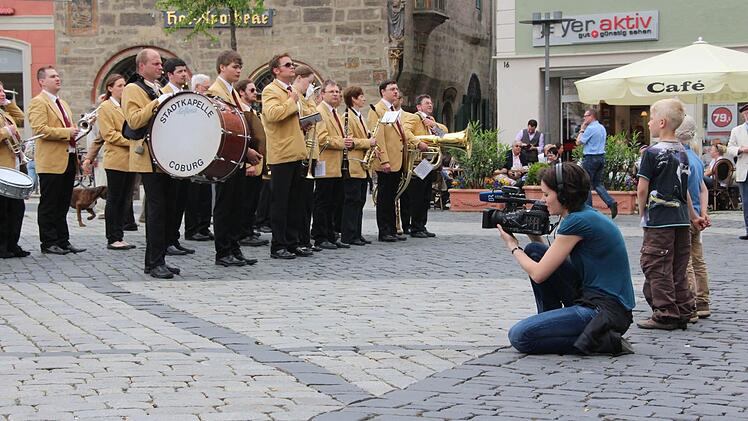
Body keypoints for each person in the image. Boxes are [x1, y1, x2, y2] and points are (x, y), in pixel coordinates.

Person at [499, 162, 635, 355]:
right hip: (600, 300)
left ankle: (604, 339)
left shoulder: (576, 222)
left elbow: (539, 273)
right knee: (535, 250)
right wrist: (531, 231)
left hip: (603, 311)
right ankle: (549, 321)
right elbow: (549, 261)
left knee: (520, 336)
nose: (543, 200)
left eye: (546, 194)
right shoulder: (584, 214)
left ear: (564, 194)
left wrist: (512, 245)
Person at [636, 99, 705, 330]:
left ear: (662, 123)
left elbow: (643, 188)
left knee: (657, 265)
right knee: (677, 265)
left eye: (652, 119)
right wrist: (694, 216)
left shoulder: (652, 153)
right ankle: (684, 308)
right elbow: (684, 189)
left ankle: (665, 313)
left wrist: (642, 210)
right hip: (681, 220)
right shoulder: (683, 152)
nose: (649, 124)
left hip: (659, 221)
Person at [121, 48, 179, 279]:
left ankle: (160, 258)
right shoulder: (132, 89)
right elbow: (134, 120)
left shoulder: (157, 88)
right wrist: (158, 103)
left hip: (163, 157)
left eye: (160, 63)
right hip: (147, 158)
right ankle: (153, 262)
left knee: (166, 210)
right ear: (141, 66)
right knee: (156, 212)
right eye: (155, 63)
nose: (160, 67)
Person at [206, 50, 262, 267]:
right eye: (234, 66)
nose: (238, 70)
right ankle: (223, 251)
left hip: (237, 155)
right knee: (225, 204)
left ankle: (234, 247)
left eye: (240, 67)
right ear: (222, 67)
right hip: (226, 155)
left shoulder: (233, 92)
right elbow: (223, 126)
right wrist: (246, 149)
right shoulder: (215, 92)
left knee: (237, 204)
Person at [28, 66, 85, 255]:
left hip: (67, 158)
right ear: (42, 81)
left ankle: (63, 240)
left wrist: (77, 130)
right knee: (49, 204)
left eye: (58, 76)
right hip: (51, 161)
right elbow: (40, 129)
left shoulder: (63, 103)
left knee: (62, 204)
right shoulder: (38, 102)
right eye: (53, 77)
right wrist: (67, 132)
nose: (58, 79)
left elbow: (69, 127)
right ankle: (48, 242)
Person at [261, 53, 308, 259]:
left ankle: (292, 241)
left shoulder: (293, 91)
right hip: (281, 153)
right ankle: (278, 245)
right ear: (276, 70)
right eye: (287, 65)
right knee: (280, 202)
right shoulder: (271, 90)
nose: (292, 67)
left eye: (293, 64)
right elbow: (272, 114)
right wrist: (292, 101)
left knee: (295, 202)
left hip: (296, 150)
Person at [368, 80, 419, 242]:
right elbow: (379, 137)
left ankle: (391, 228)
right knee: (384, 197)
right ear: (383, 92)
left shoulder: (391, 109)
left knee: (391, 197)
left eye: (397, 89)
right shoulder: (377, 110)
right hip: (387, 160)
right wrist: (384, 160)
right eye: (392, 89)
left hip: (397, 160)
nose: (396, 92)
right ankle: (384, 231)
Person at [676, 115, 712, 320]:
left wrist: (693, 214)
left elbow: (684, 190)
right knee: (698, 260)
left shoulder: (679, 158)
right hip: (698, 215)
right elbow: (703, 189)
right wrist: (703, 213)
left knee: (685, 262)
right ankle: (703, 301)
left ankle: (690, 304)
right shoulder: (697, 158)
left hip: (685, 215)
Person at [160, 57, 195, 257]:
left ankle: (174, 238)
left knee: (181, 199)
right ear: (170, 74)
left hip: (186, 153)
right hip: (170, 153)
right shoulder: (163, 94)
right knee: (170, 200)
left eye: (185, 71)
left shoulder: (186, 94)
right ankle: (166, 240)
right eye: (180, 71)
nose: (184, 74)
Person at [96, 74, 136, 250]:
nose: (123, 88)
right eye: (120, 86)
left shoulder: (126, 106)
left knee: (126, 200)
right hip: (116, 160)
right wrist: (132, 143)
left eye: (124, 85)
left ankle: (119, 234)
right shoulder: (105, 107)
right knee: (115, 199)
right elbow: (108, 134)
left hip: (131, 160)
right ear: (110, 88)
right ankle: (112, 236)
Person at [312, 80, 350, 250]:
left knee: (334, 202)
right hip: (325, 163)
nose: (336, 94)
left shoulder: (336, 113)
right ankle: (321, 236)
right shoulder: (320, 111)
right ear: (323, 95)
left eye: (338, 91)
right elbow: (321, 139)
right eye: (332, 91)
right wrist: (343, 142)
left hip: (336, 164)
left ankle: (331, 234)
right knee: (323, 202)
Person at [403, 94, 445, 238]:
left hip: (429, 162)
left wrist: (433, 125)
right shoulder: (415, 118)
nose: (430, 105)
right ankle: (415, 226)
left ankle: (422, 225)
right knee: (417, 195)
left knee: (426, 195)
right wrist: (418, 143)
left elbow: (444, 135)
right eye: (427, 103)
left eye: (431, 103)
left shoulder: (431, 121)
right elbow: (405, 132)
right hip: (418, 162)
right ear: (419, 106)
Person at [236, 78, 269, 248]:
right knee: (246, 200)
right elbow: (246, 139)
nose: (255, 93)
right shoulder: (242, 111)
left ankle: (249, 228)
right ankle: (244, 232)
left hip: (258, 161)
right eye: (251, 90)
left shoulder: (253, 110)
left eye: (255, 90)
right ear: (241, 92)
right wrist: (249, 164)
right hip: (249, 162)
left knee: (253, 199)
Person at [292, 65, 321, 253]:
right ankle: (299, 238)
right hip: (300, 151)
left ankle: (304, 238)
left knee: (307, 202)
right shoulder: (295, 95)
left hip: (310, 153)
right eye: (309, 82)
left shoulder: (305, 97)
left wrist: (309, 97)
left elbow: (313, 113)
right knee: (300, 202)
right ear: (300, 78)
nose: (309, 86)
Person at [341, 85, 374, 246]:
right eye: (361, 96)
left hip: (362, 165)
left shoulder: (360, 116)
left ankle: (357, 233)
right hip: (353, 164)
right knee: (352, 201)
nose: (364, 99)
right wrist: (369, 142)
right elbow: (350, 141)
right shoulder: (347, 116)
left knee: (360, 200)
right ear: (353, 99)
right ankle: (349, 234)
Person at [0, 81, 30, 258]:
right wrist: (6, 131)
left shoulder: (5, 112)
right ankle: (2, 247)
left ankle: (13, 244)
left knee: (17, 209)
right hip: (2, 169)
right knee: (2, 212)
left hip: (14, 166)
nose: (2, 93)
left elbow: (20, 117)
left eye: (3, 90)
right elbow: (8, 130)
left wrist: (8, 102)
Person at [184, 73, 214, 242]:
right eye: (206, 88)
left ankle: (204, 227)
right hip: (192, 154)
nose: (208, 91)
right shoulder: (189, 105)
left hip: (205, 154)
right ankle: (192, 229)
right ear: (196, 88)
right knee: (193, 195)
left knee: (206, 194)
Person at [576, 108, 618, 219]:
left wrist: (581, 130)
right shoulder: (601, 127)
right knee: (598, 183)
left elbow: (579, 142)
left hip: (590, 158)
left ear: (591, 116)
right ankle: (611, 202)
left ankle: (588, 209)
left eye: (585, 116)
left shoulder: (590, 128)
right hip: (601, 157)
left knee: (587, 184)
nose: (584, 118)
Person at [727, 103, 748, 240]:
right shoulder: (736, 130)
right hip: (744, 170)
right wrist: (740, 149)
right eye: (746, 114)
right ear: (743, 115)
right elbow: (729, 148)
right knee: (746, 202)